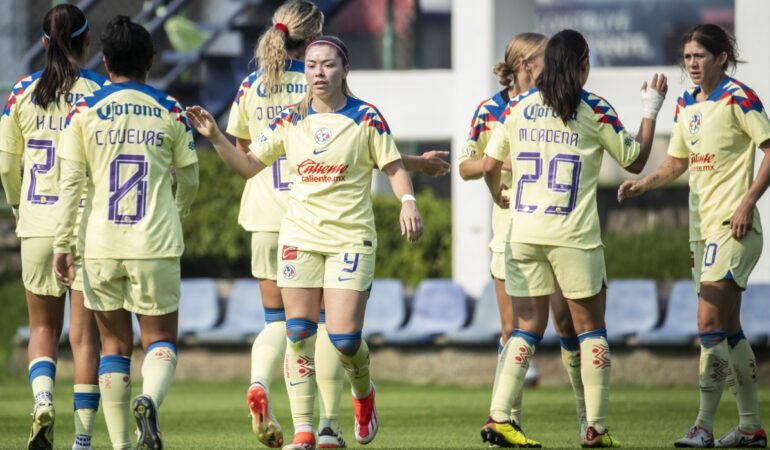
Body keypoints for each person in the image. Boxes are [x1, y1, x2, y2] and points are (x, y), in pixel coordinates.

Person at [226, 2, 446, 448]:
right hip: (295, 225)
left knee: (321, 333)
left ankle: (298, 389)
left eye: (328, 65)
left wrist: (408, 194)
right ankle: (316, 426)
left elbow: (375, 156)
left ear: (343, 67)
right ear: (307, 52)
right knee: (303, 331)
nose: (319, 72)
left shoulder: (257, 85)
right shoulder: (295, 110)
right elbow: (251, 159)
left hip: (298, 223)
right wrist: (419, 164)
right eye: (313, 64)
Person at [483, 29, 667, 448]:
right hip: (574, 237)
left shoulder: (519, 107)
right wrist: (651, 109)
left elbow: (491, 164)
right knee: (591, 333)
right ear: (583, 62)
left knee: (526, 330)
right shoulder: (594, 110)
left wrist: (498, 196)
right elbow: (635, 160)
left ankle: (498, 417)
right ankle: (595, 429)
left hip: (523, 234)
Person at [618, 24, 769, 448]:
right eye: (687, 57)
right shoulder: (685, 103)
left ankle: (702, 426)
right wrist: (643, 184)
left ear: (722, 56)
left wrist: (747, 202)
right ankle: (751, 427)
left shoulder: (739, 97)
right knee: (729, 329)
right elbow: (677, 162)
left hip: (734, 226)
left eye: (699, 56)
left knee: (706, 323)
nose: (692, 64)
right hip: (701, 232)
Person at [52, 15, 199, 450]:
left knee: (113, 345)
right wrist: (177, 211)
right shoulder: (170, 109)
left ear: (105, 59)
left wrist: (63, 245)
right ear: (152, 60)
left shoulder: (83, 110)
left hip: (100, 245)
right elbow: (189, 179)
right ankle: (149, 400)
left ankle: (118, 446)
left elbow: (71, 185)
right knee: (159, 340)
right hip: (154, 242)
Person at [460, 31, 587, 446]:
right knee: (513, 328)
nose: (553, 65)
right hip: (510, 233)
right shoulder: (493, 109)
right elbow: (464, 166)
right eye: (544, 59)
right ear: (524, 64)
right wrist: (498, 163)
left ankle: (587, 417)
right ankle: (507, 420)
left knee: (566, 323)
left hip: (558, 229)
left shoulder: (561, 103)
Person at [0, 4, 106, 449]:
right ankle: (83, 439)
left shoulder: (20, 92)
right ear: (87, 41)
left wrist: (18, 207)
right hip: (86, 228)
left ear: (43, 44)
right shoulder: (100, 91)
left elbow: (7, 166)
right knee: (84, 341)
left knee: (42, 329)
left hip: (38, 225)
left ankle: (43, 399)